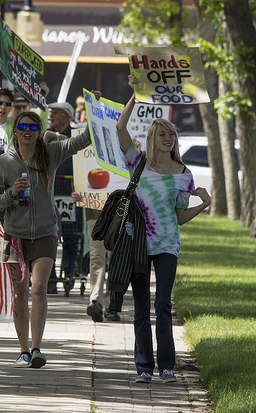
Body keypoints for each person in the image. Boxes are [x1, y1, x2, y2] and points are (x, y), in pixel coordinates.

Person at [116, 74, 211, 384]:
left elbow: (180, 217)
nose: (168, 138)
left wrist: (203, 205)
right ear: (153, 138)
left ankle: (167, 366)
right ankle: (144, 367)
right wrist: (134, 94)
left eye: (172, 134)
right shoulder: (138, 163)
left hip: (168, 243)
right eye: (163, 135)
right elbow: (120, 128)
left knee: (162, 304)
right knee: (142, 306)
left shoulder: (184, 173)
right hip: (138, 244)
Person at [0, 100, 99, 368]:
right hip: (14, 236)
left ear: (39, 131)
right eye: (22, 126)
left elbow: (83, 140)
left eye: (33, 126)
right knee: (19, 293)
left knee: (39, 288)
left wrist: (94, 106)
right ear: (15, 131)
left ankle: (38, 348)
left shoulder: (49, 153)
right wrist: (11, 193)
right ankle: (23, 350)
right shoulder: (4, 162)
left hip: (45, 232)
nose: (27, 130)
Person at [46, 101, 80, 294]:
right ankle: (50, 278)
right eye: (51, 112)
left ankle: (68, 271)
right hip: (50, 192)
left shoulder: (75, 136)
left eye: (56, 112)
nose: (51, 115)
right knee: (49, 235)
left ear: (66, 116)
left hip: (71, 193)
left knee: (71, 235)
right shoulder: (46, 136)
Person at [71, 192, 120, 322]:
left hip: (119, 211)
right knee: (97, 256)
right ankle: (96, 301)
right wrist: (77, 192)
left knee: (115, 258)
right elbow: (80, 177)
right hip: (94, 210)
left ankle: (112, 304)